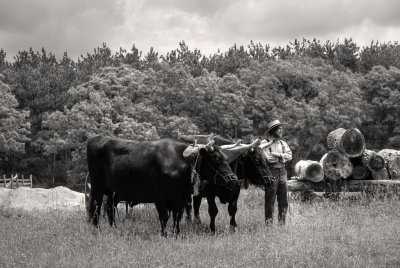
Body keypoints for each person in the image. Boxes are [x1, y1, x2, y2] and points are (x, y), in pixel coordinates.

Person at [260, 119, 292, 225]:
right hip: (271, 172)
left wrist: (278, 155)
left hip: (283, 172)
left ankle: (281, 224)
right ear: (273, 130)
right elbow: (269, 159)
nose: (281, 131)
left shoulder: (283, 143)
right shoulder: (264, 143)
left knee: (283, 201)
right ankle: (268, 225)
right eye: (279, 129)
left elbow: (289, 156)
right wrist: (283, 157)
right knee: (270, 200)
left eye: (281, 129)